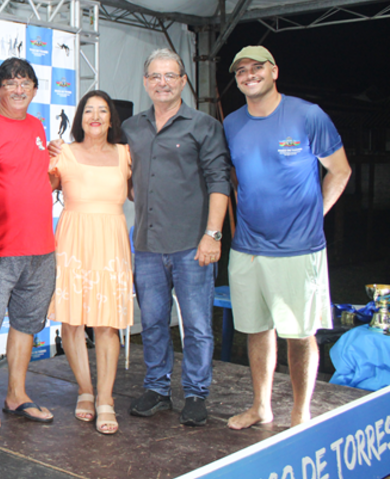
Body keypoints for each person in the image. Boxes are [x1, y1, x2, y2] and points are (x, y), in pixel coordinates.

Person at [224, 46, 351, 429]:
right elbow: (235, 175)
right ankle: (261, 406)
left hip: (299, 249)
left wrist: (315, 215)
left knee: (300, 333)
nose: (249, 75)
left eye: (256, 68)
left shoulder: (308, 115)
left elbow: (340, 171)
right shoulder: (231, 123)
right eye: (241, 71)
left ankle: (300, 413)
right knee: (257, 329)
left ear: (274, 71)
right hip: (247, 249)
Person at [122, 49, 230, 427]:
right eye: (155, 76)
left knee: (197, 325)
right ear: (146, 81)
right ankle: (157, 388)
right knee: (152, 322)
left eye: (170, 75)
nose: (162, 82)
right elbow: (127, 176)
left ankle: (197, 393)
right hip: (148, 245)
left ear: (183, 81)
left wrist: (212, 235)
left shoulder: (203, 125)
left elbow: (219, 180)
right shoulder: (132, 127)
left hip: (192, 244)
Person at [0, 59, 56, 434]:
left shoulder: (37, 127)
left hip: (40, 248)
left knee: (26, 324)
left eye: (26, 83)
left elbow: (35, 179)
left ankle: (16, 394)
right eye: (11, 83)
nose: (19, 89)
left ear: (34, 90)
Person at [49, 90, 132, 435]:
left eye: (102, 110)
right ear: (80, 118)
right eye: (88, 111)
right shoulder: (63, 153)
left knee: (107, 324)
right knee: (72, 321)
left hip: (111, 241)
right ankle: (84, 389)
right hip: (73, 239)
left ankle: (105, 398)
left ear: (111, 118)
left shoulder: (126, 154)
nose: (95, 116)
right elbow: (39, 188)